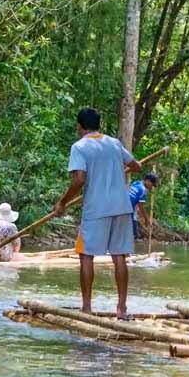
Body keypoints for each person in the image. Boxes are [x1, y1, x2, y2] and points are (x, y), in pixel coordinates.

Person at [53, 108, 142, 317]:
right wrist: (130, 167)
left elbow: (79, 179)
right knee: (120, 256)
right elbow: (135, 166)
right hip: (121, 206)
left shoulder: (80, 146)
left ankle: (86, 307)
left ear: (79, 126)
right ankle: (121, 308)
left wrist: (62, 202)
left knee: (86, 256)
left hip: (96, 208)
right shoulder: (113, 143)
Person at [130, 172, 159, 241]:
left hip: (122, 205)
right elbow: (141, 207)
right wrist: (146, 219)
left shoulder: (136, 183)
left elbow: (137, 205)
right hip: (128, 209)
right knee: (133, 234)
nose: (151, 187)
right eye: (152, 185)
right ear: (147, 181)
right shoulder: (143, 190)